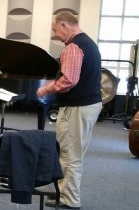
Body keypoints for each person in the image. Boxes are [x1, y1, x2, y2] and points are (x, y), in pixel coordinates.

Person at [37, 11, 102, 209]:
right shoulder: (89, 43)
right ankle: (64, 193)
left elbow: (69, 81)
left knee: (69, 155)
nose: (55, 35)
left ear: (64, 25)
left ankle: (69, 201)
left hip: (77, 108)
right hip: (88, 105)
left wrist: (46, 88)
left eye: (55, 30)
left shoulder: (73, 47)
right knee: (71, 153)